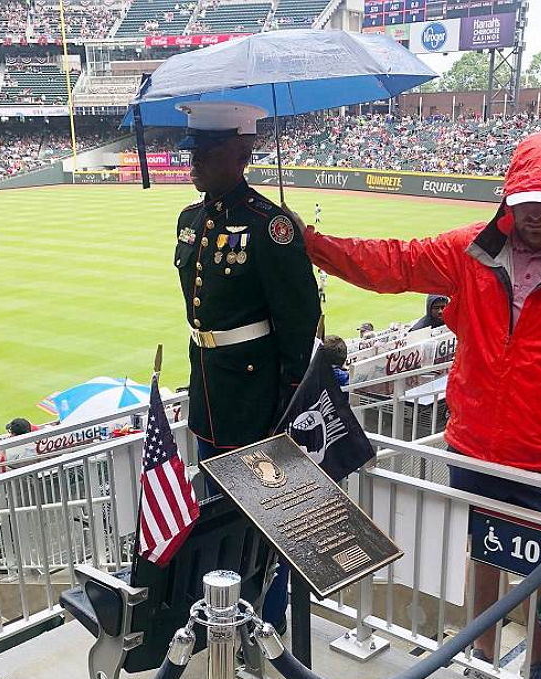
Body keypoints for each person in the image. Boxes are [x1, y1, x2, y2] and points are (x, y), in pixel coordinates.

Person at [285, 132, 541, 678]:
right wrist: (309, 243)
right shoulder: (469, 252)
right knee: (485, 554)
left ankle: (537, 668)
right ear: (508, 198)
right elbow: (391, 264)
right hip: (476, 448)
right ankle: (481, 657)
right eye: (523, 201)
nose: (533, 215)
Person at [174, 101, 321, 632]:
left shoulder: (270, 225)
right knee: (216, 514)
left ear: (240, 153)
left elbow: (300, 318)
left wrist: (285, 401)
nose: (192, 163)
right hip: (209, 389)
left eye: (206, 153)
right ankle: (222, 623)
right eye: (192, 152)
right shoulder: (190, 219)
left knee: (267, 518)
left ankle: (267, 623)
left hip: (257, 399)